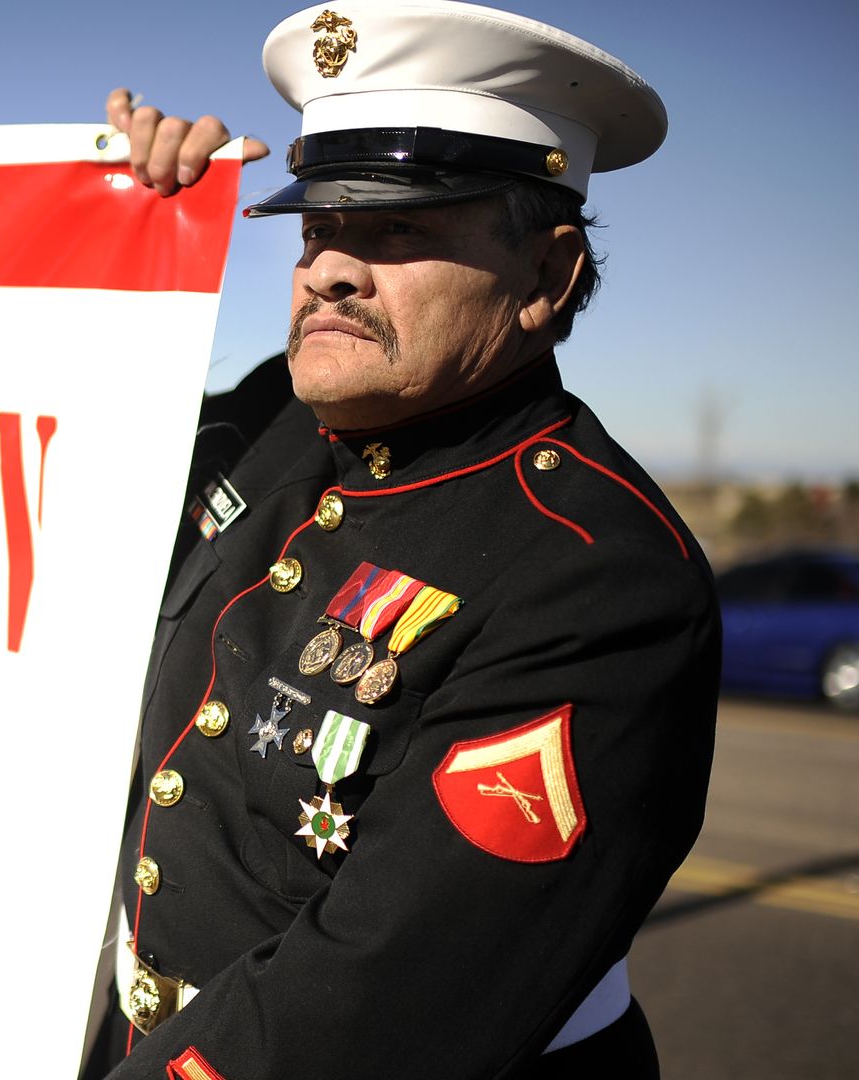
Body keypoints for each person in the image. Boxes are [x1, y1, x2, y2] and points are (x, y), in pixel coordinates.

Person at [82, 4, 718, 1078]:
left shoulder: (597, 574)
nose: (329, 268)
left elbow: (372, 1011)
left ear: (547, 279)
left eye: (400, 231)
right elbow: (43, 490)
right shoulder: (275, 435)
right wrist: (126, 221)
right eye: (319, 226)